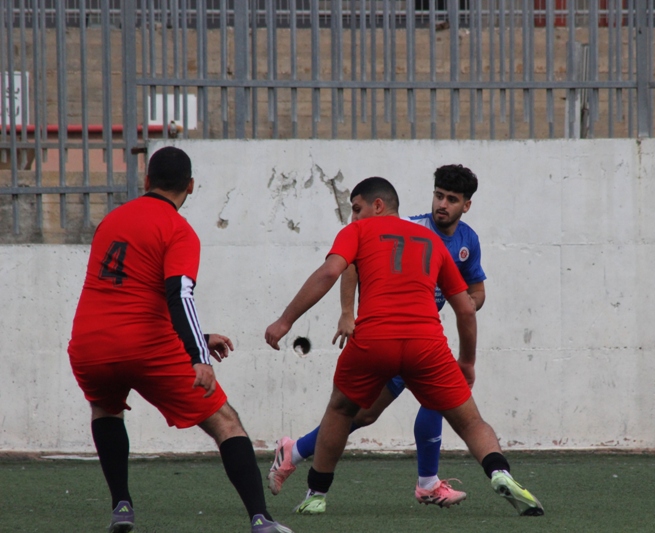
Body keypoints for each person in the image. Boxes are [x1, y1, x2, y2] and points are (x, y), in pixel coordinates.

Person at [264, 177, 543, 517]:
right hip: (426, 344)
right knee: (469, 422)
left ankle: (317, 494)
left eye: (356, 209)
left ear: (377, 205)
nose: (354, 217)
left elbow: (329, 272)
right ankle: (498, 471)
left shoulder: (358, 231)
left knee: (341, 410)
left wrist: (285, 321)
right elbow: (467, 309)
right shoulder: (432, 240)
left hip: (374, 339)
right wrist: (467, 362)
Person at [67, 146, 292, 533]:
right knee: (226, 424)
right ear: (190, 186)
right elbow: (180, 295)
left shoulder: (111, 221)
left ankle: (122, 506)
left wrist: (198, 336)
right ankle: (261, 519)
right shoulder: (177, 229)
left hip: (89, 344)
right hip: (145, 347)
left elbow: (129, 293)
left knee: (105, 409)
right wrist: (198, 353)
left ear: (146, 181)